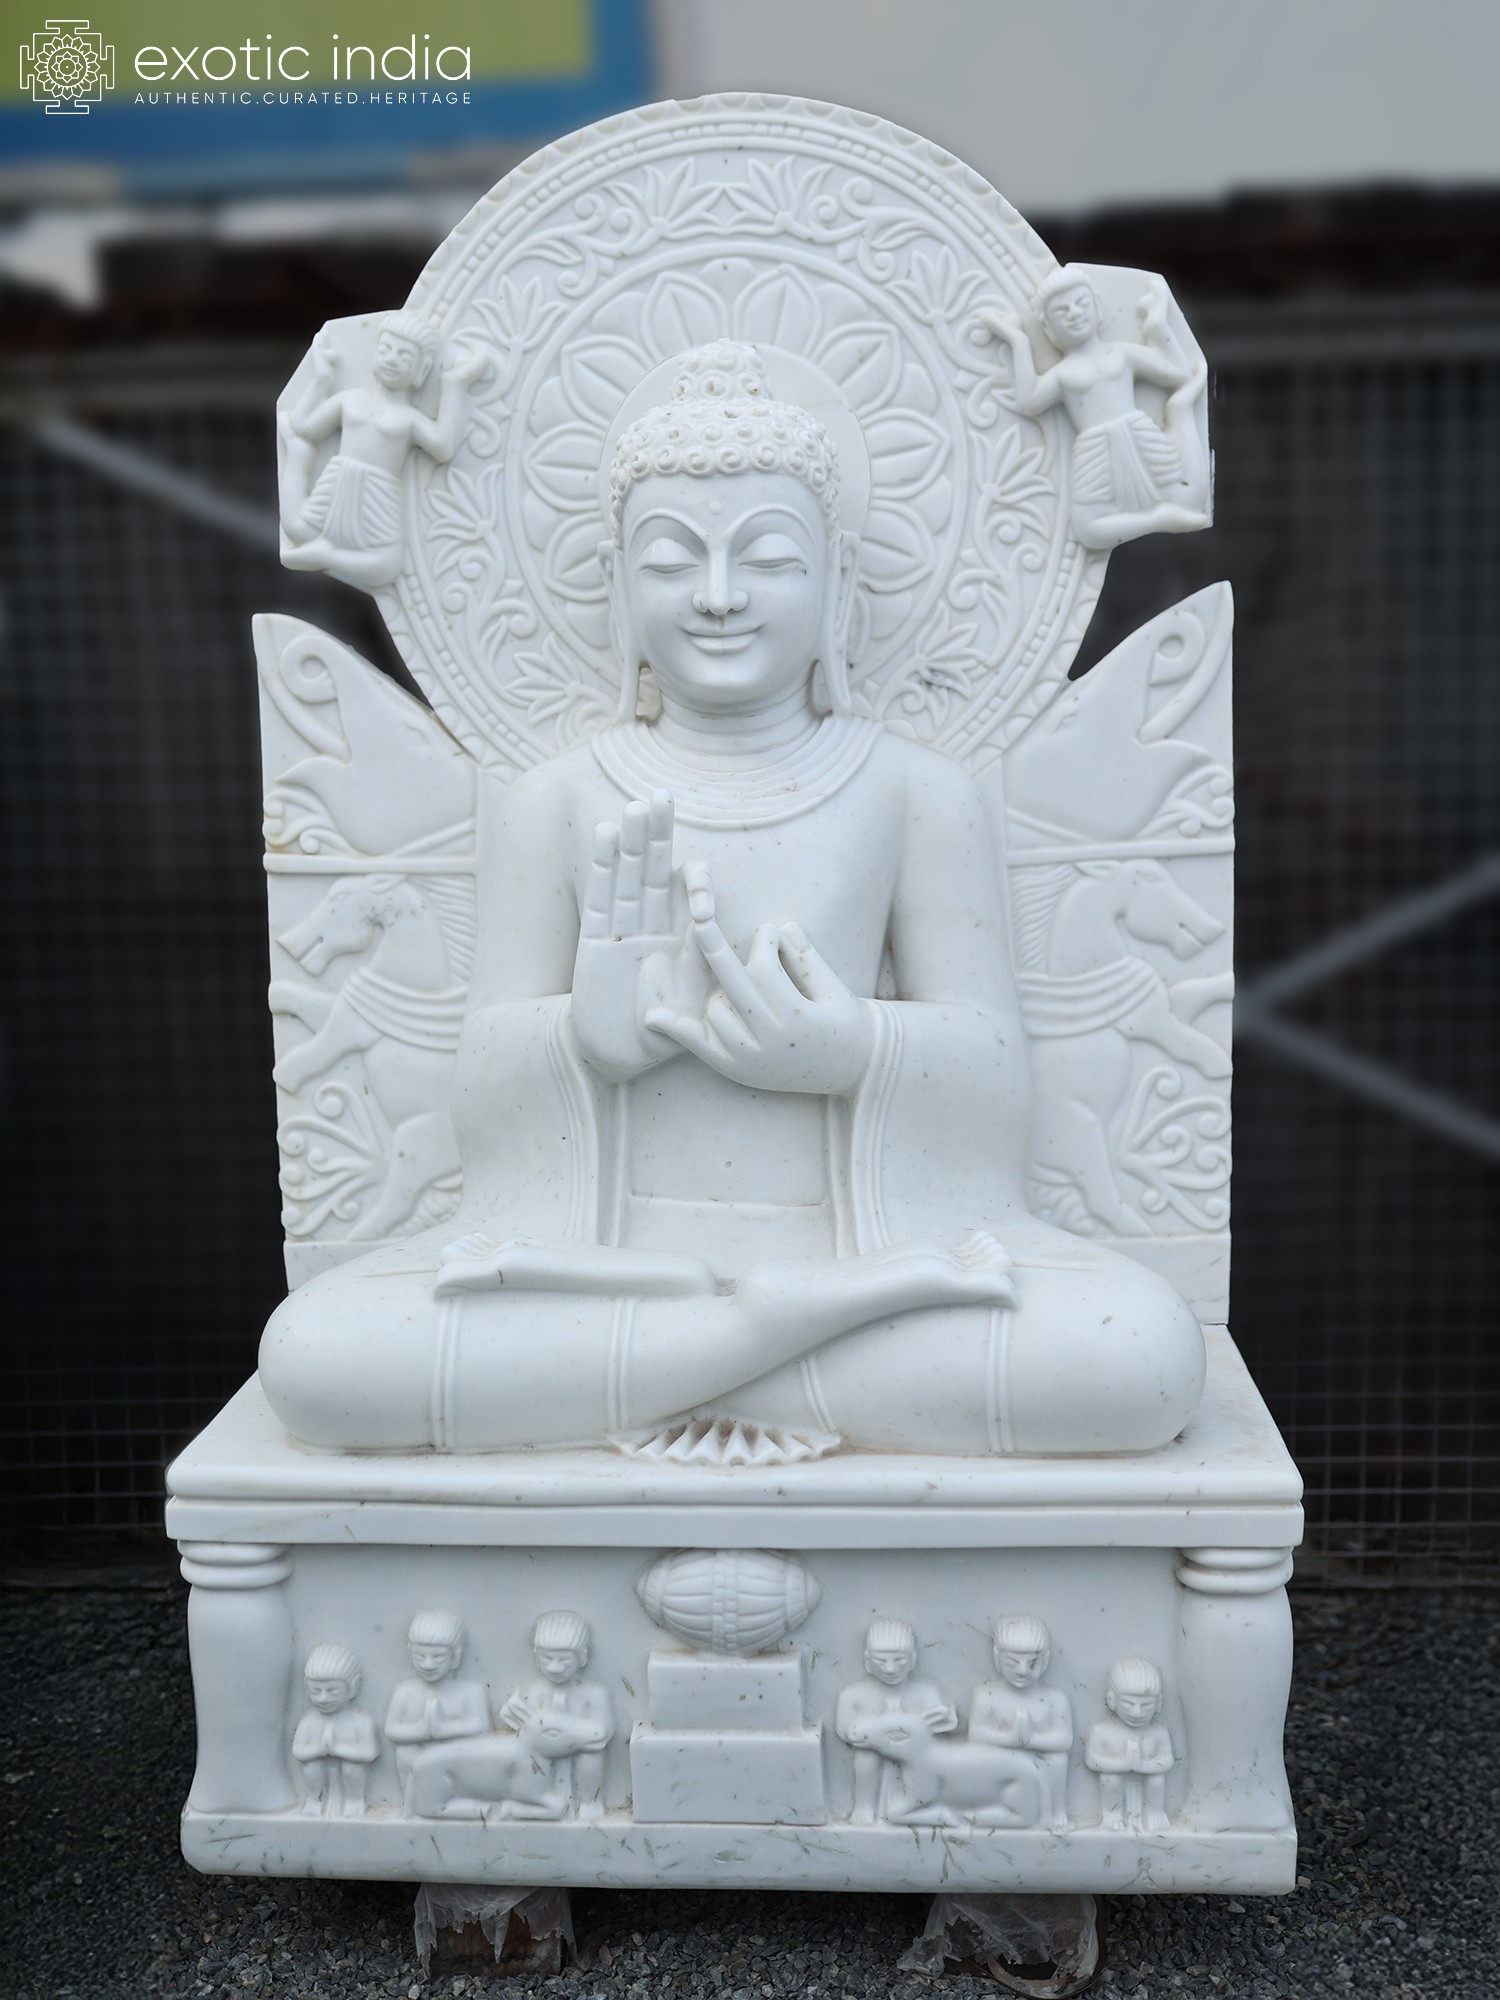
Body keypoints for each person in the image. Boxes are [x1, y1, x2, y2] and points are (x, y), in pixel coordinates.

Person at [260, 339, 1204, 1457]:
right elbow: (478, 1084)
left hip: (864, 1251)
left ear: (837, 584)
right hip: (606, 1264)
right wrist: (583, 1036)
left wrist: (851, 1048)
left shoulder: (913, 793)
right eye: (671, 559)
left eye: (767, 558)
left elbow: (997, 1068)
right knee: (314, 1356)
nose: (717, 596)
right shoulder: (553, 800)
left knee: (1138, 1353)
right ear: (617, 584)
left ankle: (676, 1363)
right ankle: (765, 1343)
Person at [981, 268, 1208, 549]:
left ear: (1098, 307)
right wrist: (1019, 341)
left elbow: (1176, 372)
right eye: (1061, 311)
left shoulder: (1121, 353)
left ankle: (1178, 411)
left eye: (1082, 303)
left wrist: (1157, 325)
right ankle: (1158, 519)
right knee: (1088, 530)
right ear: (1048, 329)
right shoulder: (1062, 373)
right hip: (1095, 450)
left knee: (1191, 496)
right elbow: (1030, 401)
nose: (1074, 313)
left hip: (1139, 435)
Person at [280, 311, 487, 588]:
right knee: (296, 528)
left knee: (387, 567)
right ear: (374, 353)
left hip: (378, 496)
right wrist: (322, 379)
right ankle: (298, 456)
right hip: (337, 482)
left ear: (422, 369)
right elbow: (304, 425)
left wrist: (453, 385)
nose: (391, 359)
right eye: (386, 349)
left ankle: (324, 554)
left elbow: (443, 446)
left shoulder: (409, 419)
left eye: (404, 356)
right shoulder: (351, 399)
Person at [835, 1618, 957, 1823]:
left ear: (913, 1659)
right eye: (881, 1661)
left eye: (899, 1660)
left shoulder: (926, 1691)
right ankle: (864, 1806)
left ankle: (925, 1805)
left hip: (917, 1756)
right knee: (867, 1753)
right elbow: (845, 1730)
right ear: (867, 1661)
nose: (890, 1669)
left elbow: (941, 1725)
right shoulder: (853, 1695)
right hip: (873, 1752)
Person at [967, 1614, 1073, 1827]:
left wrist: (1031, 1739)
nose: (1022, 1671)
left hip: (1037, 1756)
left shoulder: (1055, 1699)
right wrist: (1010, 1738)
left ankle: (1056, 1810)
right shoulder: (986, 1696)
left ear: (1045, 1660)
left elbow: (1065, 1740)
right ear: (997, 1659)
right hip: (1000, 1757)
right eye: (1012, 1662)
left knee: (1058, 1760)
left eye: (1031, 1663)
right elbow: (976, 1735)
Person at [382, 1610, 490, 1796]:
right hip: (418, 1755)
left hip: (455, 1755)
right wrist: (422, 1730)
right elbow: (391, 1729)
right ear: (409, 1653)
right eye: (420, 1656)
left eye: (438, 1657)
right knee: (405, 1752)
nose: (428, 1664)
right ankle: (413, 1801)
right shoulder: (405, 1691)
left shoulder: (471, 1690)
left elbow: (481, 1726)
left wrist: (442, 1729)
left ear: (456, 1656)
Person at [1084, 1656, 1174, 1833]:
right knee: (1110, 1779)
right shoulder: (1101, 1730)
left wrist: (1142, 1765)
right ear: (1112, 1700)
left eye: (1146, 1706)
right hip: (1115, 1776)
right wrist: (1124, 1764)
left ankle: (1155, 1812)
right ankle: (1112, 1814)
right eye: (1128, 1704)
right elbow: (1092, 1760)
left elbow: (1167, 1760)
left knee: (1156, 1780)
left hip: (1146, 1773)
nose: (1137, 1712)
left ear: (1158, 1703)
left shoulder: (1158, 1731)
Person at [291, 1643, 379, 1817]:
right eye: (315, 1691)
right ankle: (315, 1800)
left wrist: (337, 1749)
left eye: (332, 1691)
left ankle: (355, 1801)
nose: (323, 1698)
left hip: (349, 1770)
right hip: (321, 1769)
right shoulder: (309, 1721)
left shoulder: (361, 1721)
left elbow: (370, 1752)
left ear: (352, 1688)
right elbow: (298, 1750)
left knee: (352, 1767)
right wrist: (320, 1750)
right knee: (312, 1766)